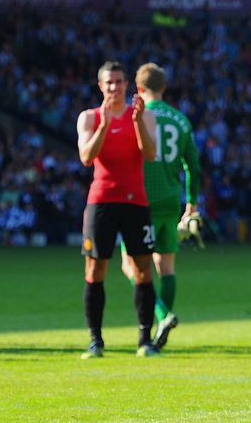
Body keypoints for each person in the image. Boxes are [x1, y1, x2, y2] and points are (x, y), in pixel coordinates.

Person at [76, 61, 159, 359]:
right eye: (108, 82)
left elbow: (150, 155)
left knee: (143, 269)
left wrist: (136, 122)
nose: (114, 87)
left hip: (135, 201)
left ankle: (144, 340)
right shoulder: (89, 117)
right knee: (95, 268)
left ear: (127, 85)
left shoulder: (144, 116)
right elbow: (86, 156)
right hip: (101, 201)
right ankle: (95, 340)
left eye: (119, 82)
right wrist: (104, 125)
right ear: (100, 86)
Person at [119, 62, 200, 351]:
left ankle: (162, 315)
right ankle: (162, 320)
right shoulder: (180, 120)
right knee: (165, 266)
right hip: (169, 199)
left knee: (131, 265)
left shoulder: (136, 116)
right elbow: (193, 165)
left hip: (140, 200)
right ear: (164, 88)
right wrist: (191, 202)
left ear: (138, 88)